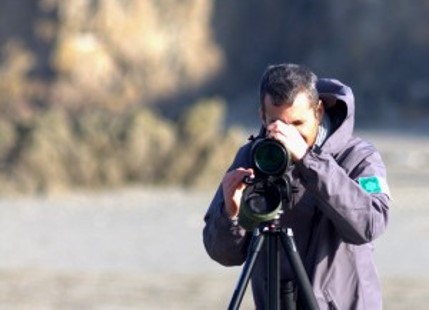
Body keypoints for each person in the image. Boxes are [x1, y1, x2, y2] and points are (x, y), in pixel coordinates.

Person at [203, 63, 391, 309]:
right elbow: (223, 254)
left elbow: (370, 224)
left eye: (298, 124)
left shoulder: (358, 157)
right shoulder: (253, 158)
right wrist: (231, 214)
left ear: (318, 112)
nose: (287, 135)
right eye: (277, 123)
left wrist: (308, 160)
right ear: (263, 115)